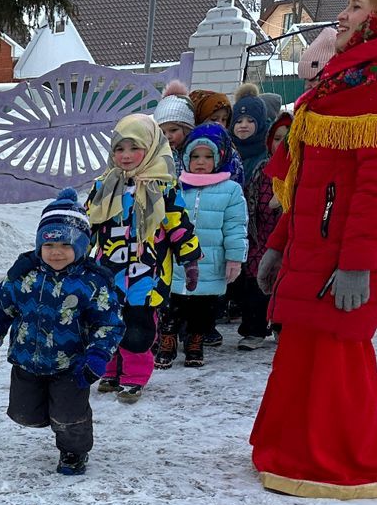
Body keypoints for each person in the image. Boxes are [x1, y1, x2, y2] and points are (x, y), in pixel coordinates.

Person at [252, 0, 377, 499]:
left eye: (356, 7)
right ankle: (289, 451)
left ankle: (337, 462)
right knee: (301, 354)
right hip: (312, 248)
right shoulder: (341, 82)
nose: (343, 16)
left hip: (348, 255)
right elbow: (310, 178)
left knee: (337, 358)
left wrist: (356, 262)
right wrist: (279, 246)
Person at [0, 189, 124, 476]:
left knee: (69, 416)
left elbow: (110, 322)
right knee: (24, 414)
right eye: (49, 244)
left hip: (72, 364)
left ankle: (73, 451)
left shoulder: (92, 283)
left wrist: (97, 354)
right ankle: (53, 417)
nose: (56, 252)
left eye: (66, 245)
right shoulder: (24, 277)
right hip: (27, 360)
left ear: (81, 246)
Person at [85, 114, 201, 400]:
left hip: (147, 272)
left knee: (138, 325)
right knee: (108, 322)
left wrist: (190, 259)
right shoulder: (103, 186)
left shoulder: (163, 187)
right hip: (108, 270)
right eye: (119, 149)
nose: (125, 156)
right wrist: (74, 254)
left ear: (149, 149)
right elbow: (89, 223)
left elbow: (178, 225)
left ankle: (134, 376)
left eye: (133, 148)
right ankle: (111, 371)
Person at [170, 125, 249, 369]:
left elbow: (236, 227)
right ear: (185, 158)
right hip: (176, 261)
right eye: (195, 156)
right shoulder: (176, 186)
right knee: (172, 304)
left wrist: (235, 258)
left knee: (202, 308)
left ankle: (196, 340)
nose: (200, 162)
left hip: (210, 262)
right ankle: (167, 337)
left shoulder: (230, 190)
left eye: (207, 156)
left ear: (219, 158)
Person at [228, 86, 275, 349]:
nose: (244, 126)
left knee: (258, 278)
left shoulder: (264, 156)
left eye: (250, 121)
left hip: (261, 227)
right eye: (239, 121)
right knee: (241, 280)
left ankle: (257, 328)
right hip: (235, 225)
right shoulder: (227, 153)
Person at [243, 111, 293, 350]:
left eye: (288, 139)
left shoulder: (301, 171)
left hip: (288, 240)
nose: (281, 144)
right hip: (260, 236)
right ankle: (254, 329)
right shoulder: (262, 170)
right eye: (277, 138)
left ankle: (282, 327)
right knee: (256, 284)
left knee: (286, 287)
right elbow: (251, 202)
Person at [154, 79, 196, 171]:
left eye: (173, 130)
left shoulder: (196, 153)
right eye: (163, 132)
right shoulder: (157, 155)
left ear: (187, 129)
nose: (168, 136)